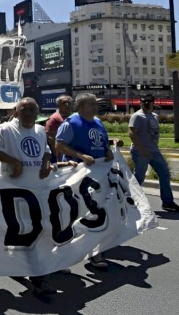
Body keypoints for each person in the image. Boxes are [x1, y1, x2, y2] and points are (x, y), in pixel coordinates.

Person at [0, 98, 57, 295]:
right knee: (21, 232)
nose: (28, 114)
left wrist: (45, 164)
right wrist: (15, 162)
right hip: (12, 191)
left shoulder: (40, 130)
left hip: (37, 191)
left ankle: (36, 275)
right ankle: (33, 274)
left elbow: (45, 152)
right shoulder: (5, 129)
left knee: (36, 230)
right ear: (16, 112)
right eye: (23, 110)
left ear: (38, 112)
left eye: (32, 110)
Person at [55, 92, 114, 269]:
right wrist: (80, 155)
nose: (95, 108)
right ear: (80, 107)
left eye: (95, 104)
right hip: (78, 178)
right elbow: (59, 145)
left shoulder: (97, 122)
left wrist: (108, 150)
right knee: (78, 213)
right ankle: (68, 250)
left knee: (97, 211)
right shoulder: (71, 123)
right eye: (91, 105)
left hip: (98, 177)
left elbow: (103, 143)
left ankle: (95, 250)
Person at [130, 94, 179, 212]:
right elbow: (132, 133)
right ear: (140, 102)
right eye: (144, 101)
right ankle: (128, 201)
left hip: (154, 151)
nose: (146, 104)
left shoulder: (154, 115)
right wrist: (142, 151)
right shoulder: (137, 116)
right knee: (139, 178)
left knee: (164, 174)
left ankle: (167, 203)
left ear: (153, 102)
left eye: (149, 101)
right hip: (141, 152)